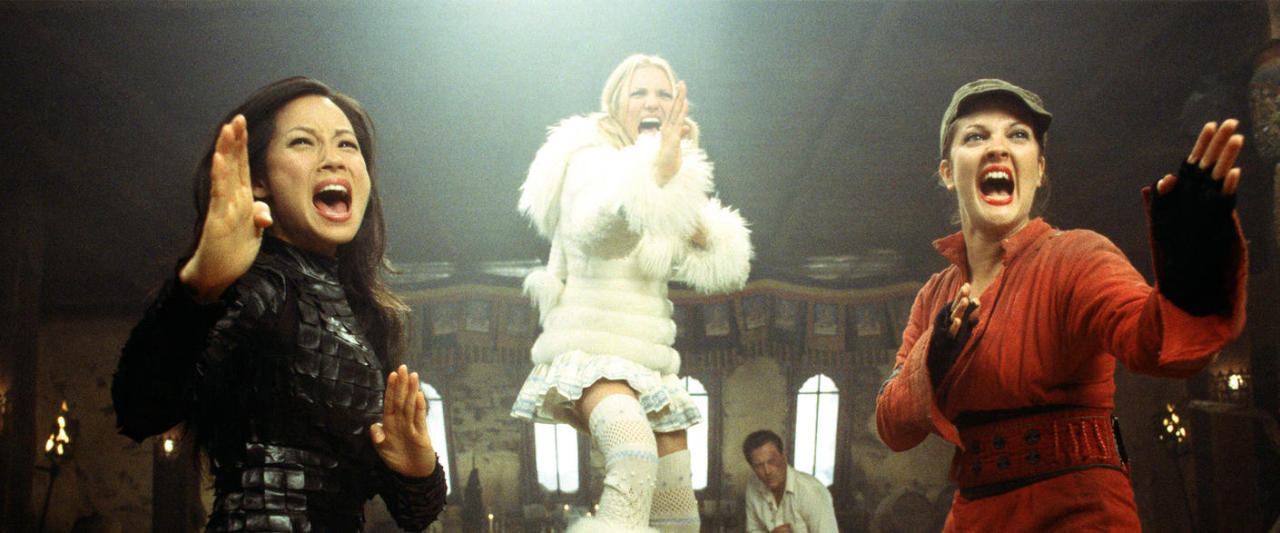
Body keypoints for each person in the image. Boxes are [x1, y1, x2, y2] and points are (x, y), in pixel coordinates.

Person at [875, 78, 1248, 531]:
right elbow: (892, 427)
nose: (998, 148)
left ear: (1038, 169)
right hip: (972, 518)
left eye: (1018, 135)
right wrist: (931, 358)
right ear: (948, 173)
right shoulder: (934, 297)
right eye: (975, 136)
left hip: (1080, 515)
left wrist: (1192, 274)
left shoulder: (1077, 257)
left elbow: (1155, 344)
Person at [112, 77, 446, 531]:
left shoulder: (365, 317)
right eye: (303, 142)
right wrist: (199, 285)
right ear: (260, 180)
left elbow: (414, 514)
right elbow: (138, 409)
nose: (334, 158)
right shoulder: (260, 287)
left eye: (347, 145)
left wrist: (417, 468)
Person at [511, 54, 752, 533]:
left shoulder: (672, 173)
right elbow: (595, 232)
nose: (652, 102)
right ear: (616, 103)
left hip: (650, 365)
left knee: (680, 514)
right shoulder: (587, 158)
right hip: (592, 351)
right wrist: (655, 178)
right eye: (639, 92)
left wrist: (687, 208)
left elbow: (723, 262)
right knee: (634, 451)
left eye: (663, 93)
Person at [742, 430, 839, 533]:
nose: (767, 471)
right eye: (759, 465)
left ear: (784, 457)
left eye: (772, 461)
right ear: (752, 467)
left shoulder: (811, 491)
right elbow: (753, 530)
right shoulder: (753, 485)